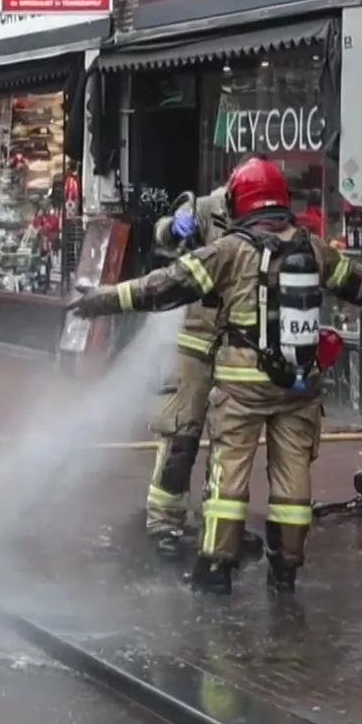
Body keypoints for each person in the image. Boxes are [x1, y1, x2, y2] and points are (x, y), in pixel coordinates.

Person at [67, 156, 362, 595]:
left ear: (239, 199)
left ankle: (215, 568)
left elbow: (163, 286)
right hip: (299, 386)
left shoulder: (228, 251)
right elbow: (360, 283)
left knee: (228, 479)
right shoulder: (313, 247)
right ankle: (285, 568)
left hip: (242, 386)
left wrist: (103, 299)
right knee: (293, 482)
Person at [143, 187, 230, 558]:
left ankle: (217, 523)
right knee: (182, 432)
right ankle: (164, 520)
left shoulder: (268, 220)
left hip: (239, 344)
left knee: (230, 440)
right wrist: (176, 228)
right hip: (198, 339)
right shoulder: (209, 208)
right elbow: (160, 232)